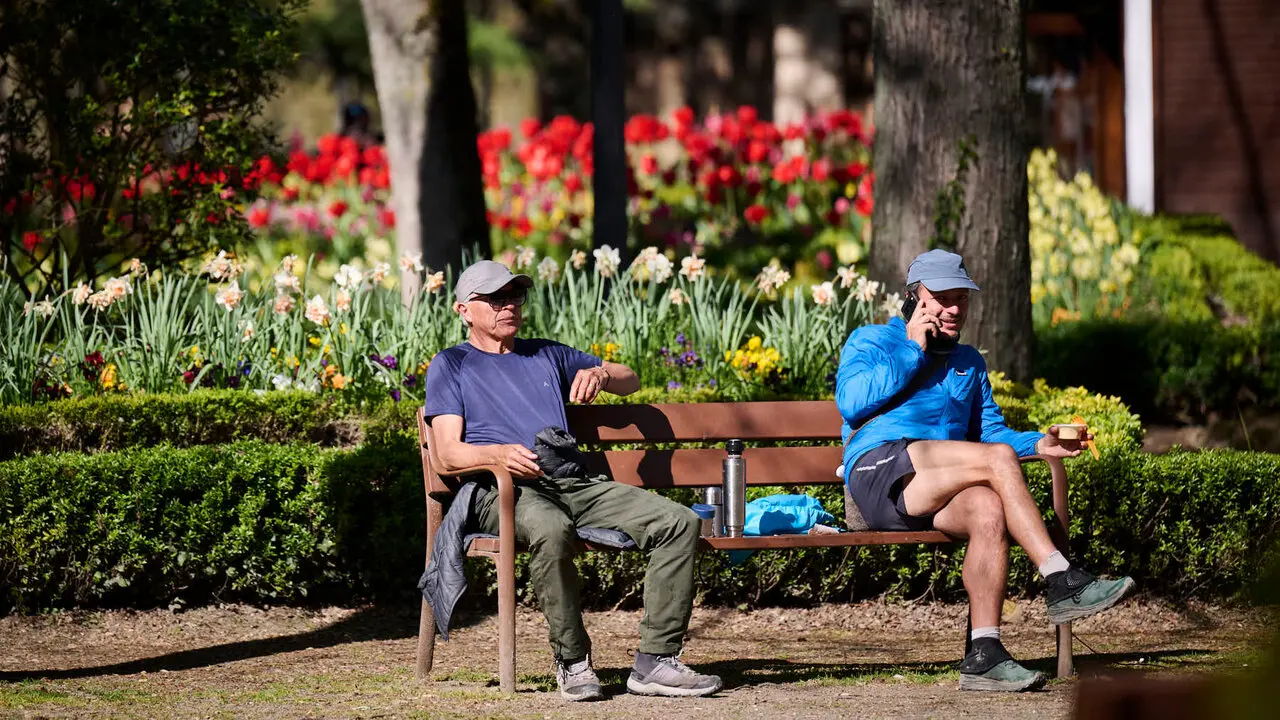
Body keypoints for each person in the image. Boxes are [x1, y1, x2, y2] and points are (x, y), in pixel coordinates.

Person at [835, 249, 1135, 692]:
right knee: (994, 460)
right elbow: (852, 403)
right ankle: (1061, 577)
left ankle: (984, 654)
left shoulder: (968, 363)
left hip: (934, 485)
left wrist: (1039, 443)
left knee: (988, 507)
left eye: (962, 298)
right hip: (880, 472)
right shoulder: (872, 341)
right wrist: (913, 349)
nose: (953, 308)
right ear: (913, 298)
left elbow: (990, 433)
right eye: (942, 298)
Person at [424, 260, 722, 702]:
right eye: (496, 298)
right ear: (464, 310)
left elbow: (631, 378)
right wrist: (498, 455)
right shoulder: (452, 365)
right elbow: (447, 451)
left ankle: (655, 662)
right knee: (550, 527)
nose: (509, 306)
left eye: (515, 296)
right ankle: (573, 660)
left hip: (571, 482)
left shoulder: (547, 354)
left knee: (678, 521)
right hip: (499, 488)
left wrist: (600, 373)